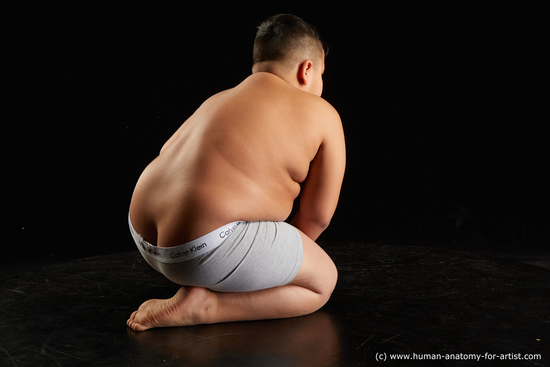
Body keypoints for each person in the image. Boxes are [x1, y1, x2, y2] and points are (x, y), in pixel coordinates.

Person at [127, 14, 346, 331]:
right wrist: (275, 267)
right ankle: (207, 305)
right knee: (322, 280)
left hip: (142, 234)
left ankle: (204, 276)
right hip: (198, 250)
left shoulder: (217, 100)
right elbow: (317, 218)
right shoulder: (322, 113)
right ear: (307, 69)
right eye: (322, 74)